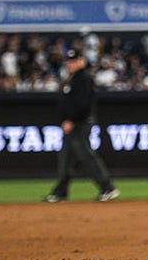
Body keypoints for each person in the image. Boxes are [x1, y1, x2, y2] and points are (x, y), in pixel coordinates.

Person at [44, 49, 119, 202]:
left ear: (81, 61)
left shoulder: (83, 78)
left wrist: (70, 119)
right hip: (72, 124)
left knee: (86, 156)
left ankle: (107, 187)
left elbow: (82, 103)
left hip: (80, 123)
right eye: (69, 61)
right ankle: (60, 191)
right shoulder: (72, 79)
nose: (71, 64)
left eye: (74, 61)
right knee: (66, 158)